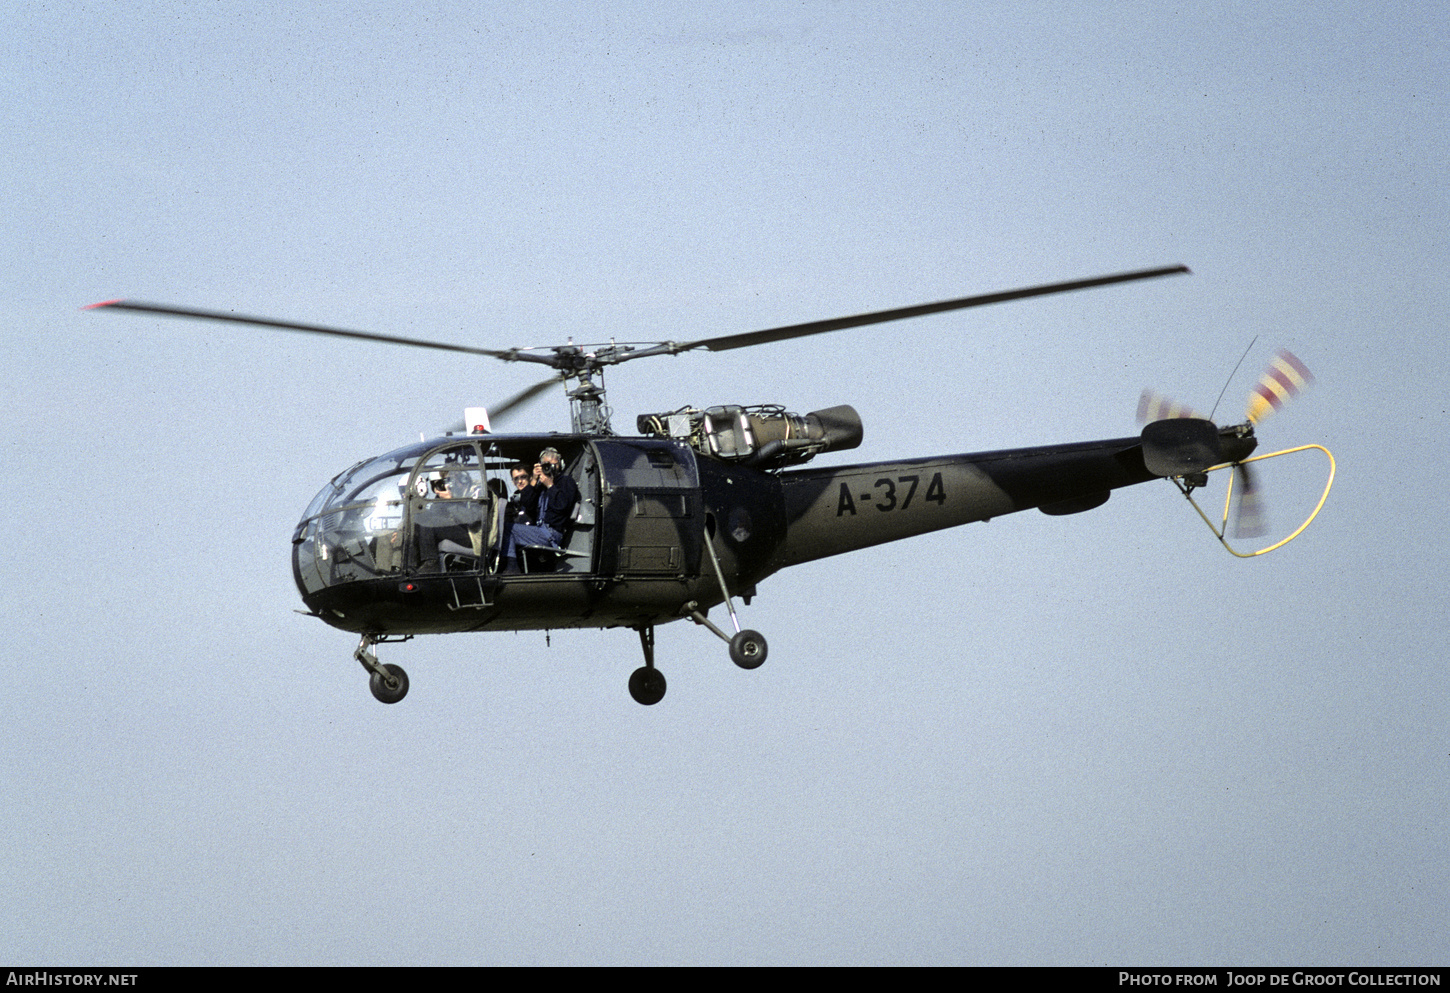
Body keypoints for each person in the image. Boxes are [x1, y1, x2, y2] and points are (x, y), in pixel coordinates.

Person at [502, 447, 579, 572]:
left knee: (508, 529)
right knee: (504, 527)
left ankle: (512, 568)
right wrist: (533, 480)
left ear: (561, 465)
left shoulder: (566, 482)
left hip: (552, 533)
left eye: (555, 464)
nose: (551, 468)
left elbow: (562, 506)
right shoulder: (540, 486)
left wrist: (550, 485)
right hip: (540, 530)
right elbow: (527, 504)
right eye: (547, 465)